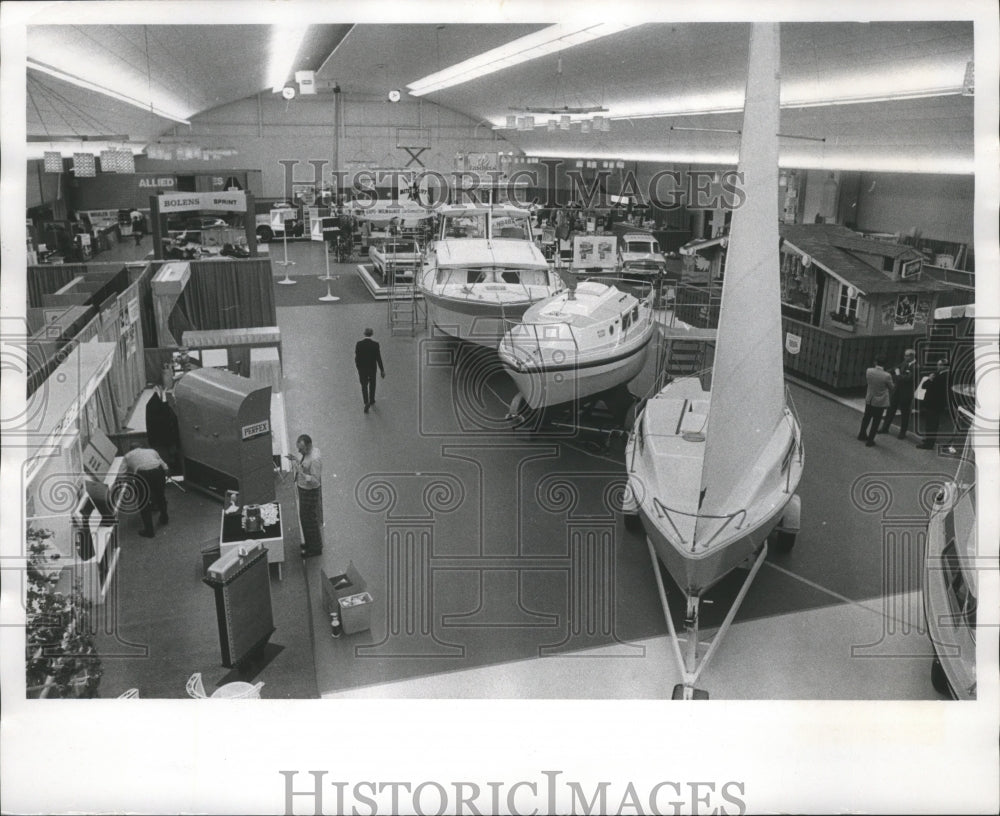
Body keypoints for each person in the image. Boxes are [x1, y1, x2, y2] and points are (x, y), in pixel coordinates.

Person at [285, 434, 323, 557]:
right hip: (304, 489)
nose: (299, 451)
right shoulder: (307, 454)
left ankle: (315, 548)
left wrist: (306, 476)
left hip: (309, 491)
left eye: (301, 449)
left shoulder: (315, 459)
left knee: (309, 520)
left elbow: (316, 481)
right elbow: (304, 465)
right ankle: (309, 543)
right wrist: (296, 459)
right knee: (305, 518)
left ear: (308, 446)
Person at [123, 443, 170, 538]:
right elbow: (165, 466)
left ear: (131, 449)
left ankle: (149, 531)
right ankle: (164, 518)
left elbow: (122, 474)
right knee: (160, 496)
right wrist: (164, 476)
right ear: (141, 447)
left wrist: (130, 484)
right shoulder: (152, 451)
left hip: (143, 474)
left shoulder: (127, 456)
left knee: (143, 502)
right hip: (158, 471)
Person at [879, 348, 917, 438]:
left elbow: (907, 378)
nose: (904, 357)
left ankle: (902, 433)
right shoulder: (904, 363)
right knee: (891, 409)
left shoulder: (916, 367)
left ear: (912, 356)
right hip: (897, 390)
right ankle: (885, 428)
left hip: (906, 393)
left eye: (906, 356)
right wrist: (884, 372)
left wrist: (897, 374)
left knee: (905, 413)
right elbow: (895, 368)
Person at [857, 355, 893, 447]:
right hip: (880, 401)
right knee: (876, 421)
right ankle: (870, 440)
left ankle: (862, 434)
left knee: (866, 417)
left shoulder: (869, 371)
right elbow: (891, 387)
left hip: (870, 398)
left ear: (875, 362)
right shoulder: (887, 375)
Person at [916, 358, 950, 449]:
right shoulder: (940, 375)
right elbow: (925, 386)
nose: (937, 366)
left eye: (939, 365)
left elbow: (926, 385)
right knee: (931, 423)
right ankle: (929, 440)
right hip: (935, 404)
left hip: (934, 404)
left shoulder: (942, 377)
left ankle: (929, 444)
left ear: (943, 366)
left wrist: (930, 379)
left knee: (932, 424)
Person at [354, 327, 386, 413]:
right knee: (372, 384)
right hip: (372, 368)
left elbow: (357, 358)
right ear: (372, 334)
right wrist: (382, 370)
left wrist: (358, 367)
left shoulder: (359, 344)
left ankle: (366, 401)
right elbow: (378, 358)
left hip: (362, 369)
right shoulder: (375, 345)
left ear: (364, 334)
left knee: (364, 385)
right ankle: (372, 399)